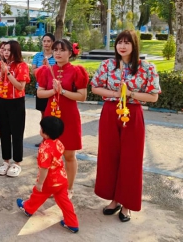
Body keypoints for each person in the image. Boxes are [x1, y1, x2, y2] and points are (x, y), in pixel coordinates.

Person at [91, 29, 160, 222]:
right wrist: (115, 94)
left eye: (126, 42)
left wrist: (129, 94)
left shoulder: (146, 68)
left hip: (133, 113)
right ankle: (114, 200)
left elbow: (153, 96)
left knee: (131, 159)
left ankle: (127, 204)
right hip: (110, 112)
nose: (122, 46)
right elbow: (95, 87)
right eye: (119, 42)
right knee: (109, 155)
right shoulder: (107, 65)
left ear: (134, 45)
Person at [36, 39, 88, 198]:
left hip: (69, 116)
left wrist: (62, 91)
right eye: (55, 49)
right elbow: (40, 93)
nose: (58, 53)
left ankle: (69, 187)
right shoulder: (46, 70)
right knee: (50, 154)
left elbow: (82, 96)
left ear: (70, 53)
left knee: (69, 155)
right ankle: (53, 184)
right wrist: (54, 91)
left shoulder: (76, 71)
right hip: (51, 116)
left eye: (62, 50)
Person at [16, 116, 79, 234]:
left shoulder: (44, 148)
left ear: (45, 133)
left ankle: (28, 208)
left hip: (49, 180)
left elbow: (45, 168)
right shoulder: (59, 143)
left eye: (41, 128)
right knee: (65, 202)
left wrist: (40, 183)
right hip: (62, 178)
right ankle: (72, 223)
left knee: (38, 194)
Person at [0, 40, 30, 177]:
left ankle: (17, 162)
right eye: (4, 49)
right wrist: (1, 74)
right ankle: (6, 161)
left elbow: (20, 86)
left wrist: (8, 73)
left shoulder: (22, 66)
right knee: (4, 132)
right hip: (1, 101)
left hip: (16, 102)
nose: (6, 52)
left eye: (9, 50)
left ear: (15, 51)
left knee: (17, 132)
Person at [32, 33, 56, 147]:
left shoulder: (57, 56)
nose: (46, 43)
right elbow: (34, 72)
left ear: (53, 42)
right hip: (41, 89)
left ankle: (54, 139)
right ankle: (44, 139)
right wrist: (43, 67)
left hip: (53, 90)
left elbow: (57, 73)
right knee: (43, 115)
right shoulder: (37, 56)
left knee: (53, 114)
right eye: (44, 41)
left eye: (48, 41)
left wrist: (48, 67)